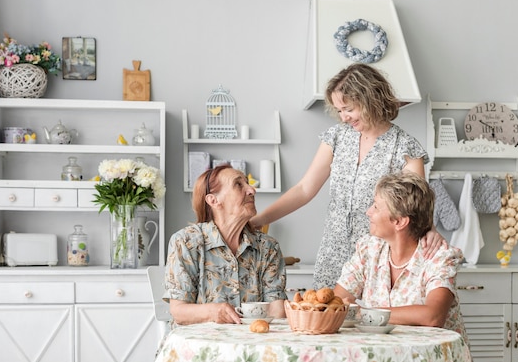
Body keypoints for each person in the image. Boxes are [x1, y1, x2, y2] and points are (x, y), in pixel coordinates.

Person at [249, 63, 444, 289]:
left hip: (379, 255)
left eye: (348, 109)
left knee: (372, 319)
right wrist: (260, 220)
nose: (343, 117)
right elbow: (304, 189)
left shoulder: (405, 147)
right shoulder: (336, 137)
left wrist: (430, 230)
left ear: (370, 99)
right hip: (333, 252)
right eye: (339, 110)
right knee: (325, 315)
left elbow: (417, 207)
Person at [333, 172, 468, 344]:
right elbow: (337, 302)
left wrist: (363, 312)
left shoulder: (439, 257)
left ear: (399, 221)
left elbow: (433, 316)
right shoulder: (369, 249)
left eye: (375, 206)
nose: (368, 212)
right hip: (382, 353)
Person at [163, 164, 287, 325]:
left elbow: (276, 310)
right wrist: (212, 312)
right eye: (238, 184)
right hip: (199, 345)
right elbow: (179, 311)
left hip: (252, 344)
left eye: (247, 183)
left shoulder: (268, 247)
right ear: (213, 200)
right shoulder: (186, 242)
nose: (252, 190)